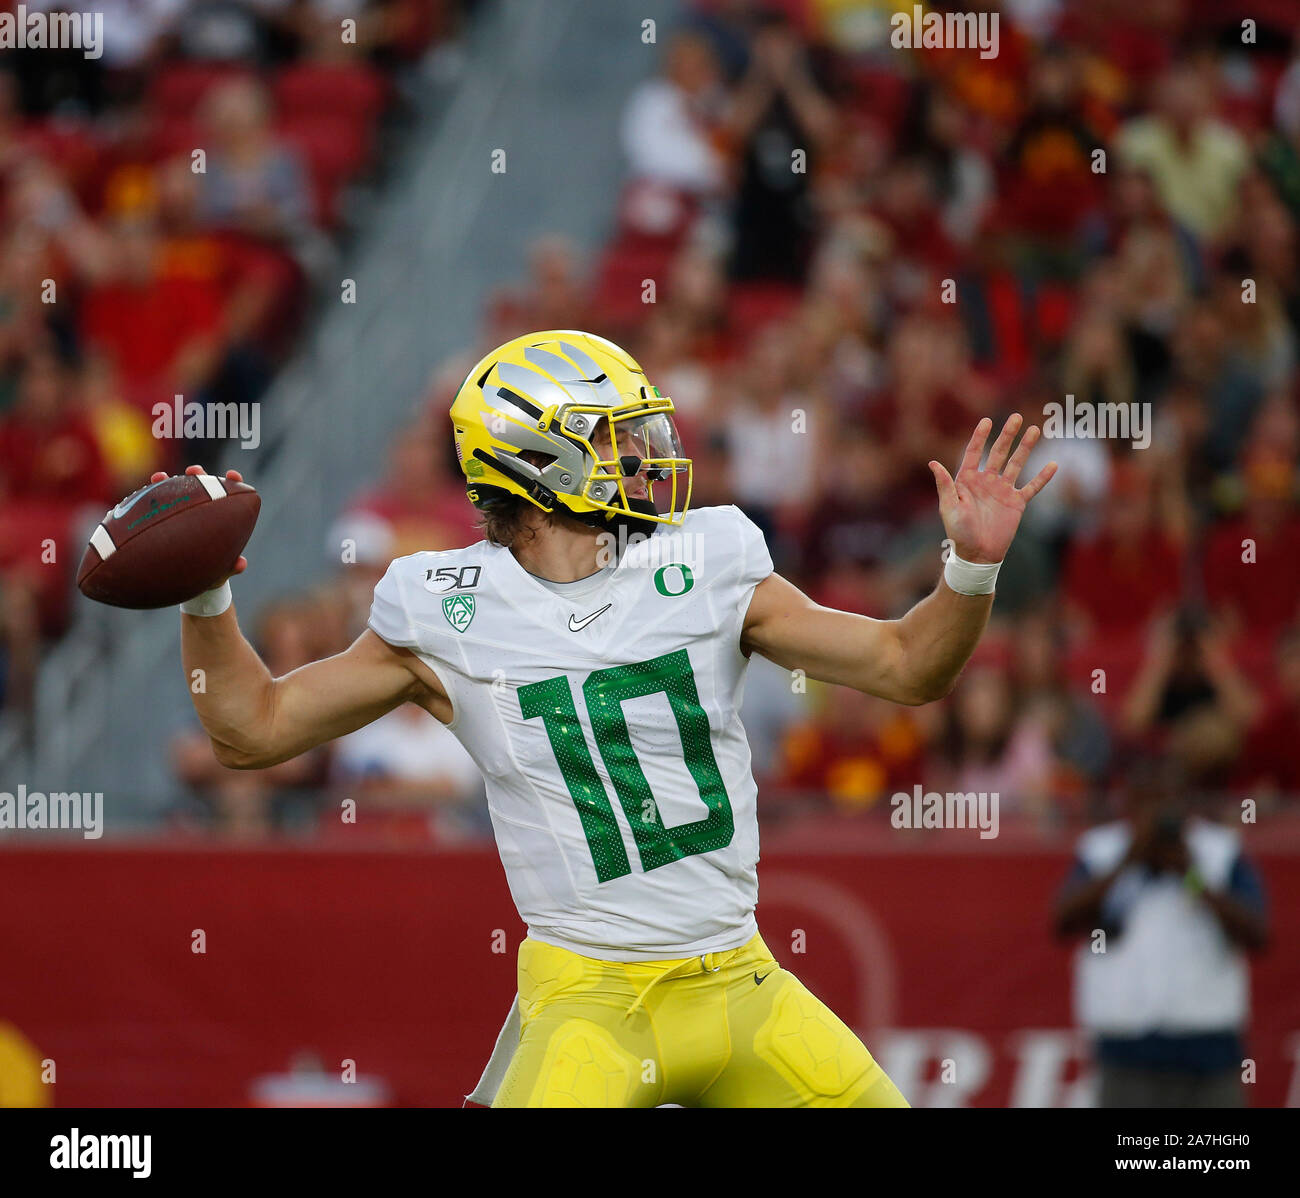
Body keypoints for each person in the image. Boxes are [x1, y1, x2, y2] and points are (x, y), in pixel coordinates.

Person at [162, 329, 1056, 1107]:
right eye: (614, 436)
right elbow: (254, 729)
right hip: (591, 999)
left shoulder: (709, 558)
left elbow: (907, 667)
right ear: (535, 459)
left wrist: (969, 571)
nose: (646, 453)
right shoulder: (442, 607)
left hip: (742, 980)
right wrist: (204, 597)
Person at [1053, 764, 1269, 1108]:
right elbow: (1062, 923)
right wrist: (1128, 861)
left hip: (1209, 1053)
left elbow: (1258, 935)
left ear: (1186, 804)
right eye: (1146, 806)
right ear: (1129, 807)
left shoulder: (1220, 851)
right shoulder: (1101, 851)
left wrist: (1192, 877)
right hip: (1126, 1054)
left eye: (1166, 807)